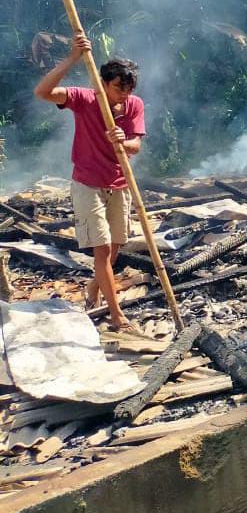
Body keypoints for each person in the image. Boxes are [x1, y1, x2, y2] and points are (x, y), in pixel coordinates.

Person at [34, 35, 145, 332]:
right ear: (104, 83)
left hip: (119, 183)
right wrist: (72, 57)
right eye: (118, 87)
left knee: (115, 249)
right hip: (88, 185)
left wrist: (125, 142)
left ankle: (94, 288)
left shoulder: (133, 105)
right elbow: (42, 92)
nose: (124, 94)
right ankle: (116, 315)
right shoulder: (84, 98)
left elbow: (136, 145)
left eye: (129, 88)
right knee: (102, 248)